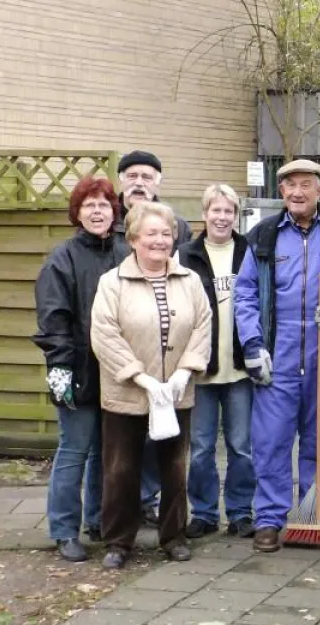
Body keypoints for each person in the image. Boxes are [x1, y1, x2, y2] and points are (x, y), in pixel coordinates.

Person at [233, 159, 320, 554]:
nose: (297, 192)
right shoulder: (264, 235)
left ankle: (316, 515)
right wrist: (253, 346)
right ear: (282, 192)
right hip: (279, 350)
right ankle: (270, 518)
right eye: (289, 185)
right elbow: (245, 295)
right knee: (271, 441)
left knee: (317, 439)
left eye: (305, 184)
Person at [90, 201, 212, 569]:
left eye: (166, 233)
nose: (160, 241)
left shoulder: (190, 281)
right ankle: (118, 541)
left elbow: (203, 327)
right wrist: (140, 377)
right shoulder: (112, 283)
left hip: (176, 392)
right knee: (120, 468)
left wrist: (182, 374)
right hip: (127, 393)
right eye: (151, 234)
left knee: (175, 467)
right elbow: (104, 335)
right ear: (132, 240)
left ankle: (173, 536)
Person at [32, 176, 129, 563]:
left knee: (108, 454)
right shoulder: (61, 260)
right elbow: (53, 319)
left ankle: (99, 521)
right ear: (77, 212)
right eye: (88, 205)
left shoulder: (126, 253)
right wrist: (60, 371)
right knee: (74, 450)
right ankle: (64, 529)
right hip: (77, 371)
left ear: (113, 211)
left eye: (103, 204)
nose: (96, 211)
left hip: (119, 372)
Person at [115, 149, 193, 526]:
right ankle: (113, 526)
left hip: (173, 370)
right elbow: (104, 322)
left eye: (147, 176)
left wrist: (183, 371)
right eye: (132, 175)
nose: (139, 182)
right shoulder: (102, 224)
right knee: (118, 458)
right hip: (122, 372)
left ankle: (167, 525)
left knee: (169, 456)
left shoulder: (176, 226)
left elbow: (197, 314)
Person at [177, 184, 256, 539]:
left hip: (239, 369)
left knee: (242, 447)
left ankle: (240, 511)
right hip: (202, 371)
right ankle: (205, 512)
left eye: (229, 212)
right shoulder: (185, 255)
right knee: (201, 449)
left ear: (236, 216)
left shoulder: (249, 251)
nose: (222, 217)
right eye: (216, 210)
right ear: (204, 213)